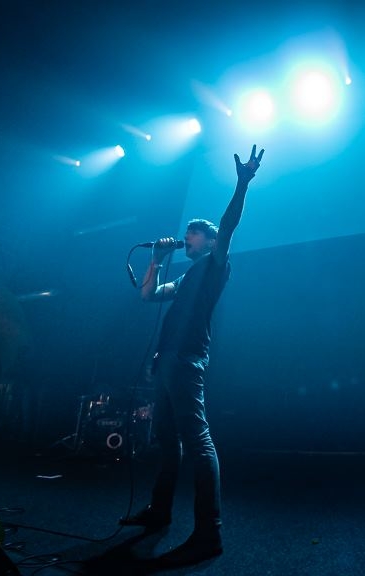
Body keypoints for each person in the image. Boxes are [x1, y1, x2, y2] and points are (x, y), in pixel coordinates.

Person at [119, 145, 265, 565]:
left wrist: (242, 183)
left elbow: (229, 224)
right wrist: (156, 259)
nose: (187, 235)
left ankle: (208, 533)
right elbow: (147, 295)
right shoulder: (185, 277)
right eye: (187, 231)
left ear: (210, 241)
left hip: (186, 360)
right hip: (166, 361)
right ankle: (159, 512)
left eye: (193, 232)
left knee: (198, 442)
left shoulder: (216, 263)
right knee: (168, 441)